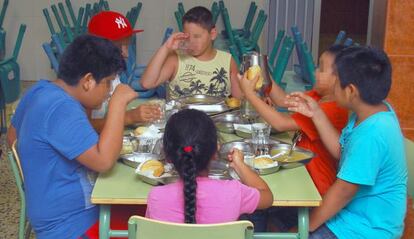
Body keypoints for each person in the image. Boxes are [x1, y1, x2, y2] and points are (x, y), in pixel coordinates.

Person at [6, 35, 136, 238]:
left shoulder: (40, 89)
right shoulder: (62, 107)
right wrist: (118, 103)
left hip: (52, 210)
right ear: (88, 81)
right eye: (109, 82)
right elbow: (103, 162)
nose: (110, 91)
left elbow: (12, 137)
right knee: (150, 218)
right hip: (72, 224)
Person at [286, 46, 407, 238]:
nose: (333, 89)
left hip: (365, 229)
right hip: (350, 215)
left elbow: (343, 192)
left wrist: (304, 229)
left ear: (351, 91)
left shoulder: (373, 134)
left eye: (336, 83)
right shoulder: (370, 112)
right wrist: (316, 112)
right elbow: (343, 152)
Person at [239, 44, 349, 196]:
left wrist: (249, 94)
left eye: (321, 69)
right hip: (301, 171)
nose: (315, 72)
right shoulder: (319, 96)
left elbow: (281, 123)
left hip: (313, 185)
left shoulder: (332, 108)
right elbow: (284, 100)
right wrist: (264, 74)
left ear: (339, 79)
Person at [145, 109, 273, 223]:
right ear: (215, 152)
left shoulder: (156, 197)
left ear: (168, 157)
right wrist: (239, 165)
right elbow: (267, 197)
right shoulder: (233, 191)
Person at [140, 6, 242, 100]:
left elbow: (240, 98)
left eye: (197, 36)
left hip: (217, 119)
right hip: (182, 118)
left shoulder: (227, 61)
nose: (191, 42)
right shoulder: (176, 59)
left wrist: (250, 88)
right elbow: (146, 83)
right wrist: (166, 47)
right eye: (187, 37)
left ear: (212, 34)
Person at [88, 11, 161, 132]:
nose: (126, 55)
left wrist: (136, 113)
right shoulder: (87, 79)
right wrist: (129, 117)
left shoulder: (112, 73)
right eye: (120, 48)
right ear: (99, 46)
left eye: (127, 46)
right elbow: (85, 127)